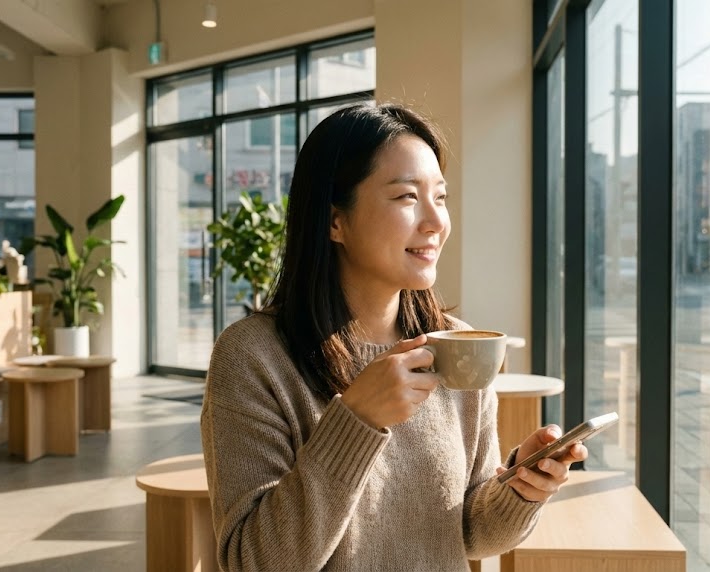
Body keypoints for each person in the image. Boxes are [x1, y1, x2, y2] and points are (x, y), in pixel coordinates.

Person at [201, 103, 587, 572]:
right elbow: (253, 562)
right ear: (334, 221)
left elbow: (469, 535)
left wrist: (520, 491)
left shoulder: (459, 346)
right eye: (407, 196)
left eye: (440, 197)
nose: (436, 222)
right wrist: (356, 421)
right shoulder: (253, 356)